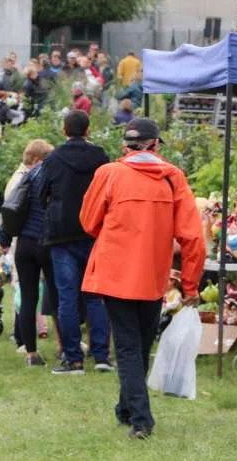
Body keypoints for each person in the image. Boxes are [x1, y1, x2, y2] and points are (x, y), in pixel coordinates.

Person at [80, 117, 205, 439]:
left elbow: (88, 222)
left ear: (125, 145)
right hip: (153, 275)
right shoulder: (172, 178)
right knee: (140, 343)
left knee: (129, 347)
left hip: (115, 272)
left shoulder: (108, 175)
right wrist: (190, 285)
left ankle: (135, 415)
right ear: (156, 145)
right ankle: (138, 415)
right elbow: (193, 237)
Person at [38, 110, 111, 375]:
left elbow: (40, 192)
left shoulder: (54, 158)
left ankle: (73, 358)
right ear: (88, 129)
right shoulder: (100, 157)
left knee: (67, 296)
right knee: (95, 296)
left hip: (61, 232)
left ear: (64, 130)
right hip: (93, 232)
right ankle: (101, 355)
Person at [11, 139, 56, 367]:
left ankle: (31, 353)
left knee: (29, 298)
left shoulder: (24, 177)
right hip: (45, 241)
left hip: (24, 243)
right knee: (56, 294)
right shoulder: (49, 177)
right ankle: (65, 347)